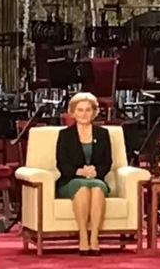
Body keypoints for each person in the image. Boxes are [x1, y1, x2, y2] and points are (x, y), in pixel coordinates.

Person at [55, 92, 113, 256]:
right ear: (73, 112)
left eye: (88, 110)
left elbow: (107, 162)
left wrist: (96, 171)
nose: (84, 114)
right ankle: (83, 236)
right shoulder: (65, 135)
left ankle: (94, 237)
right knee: (82, 189)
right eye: (80, 110)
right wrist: (78, 171)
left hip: (96, 178)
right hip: (70, 180)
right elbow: (61, 162)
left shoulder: (103, 134)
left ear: (94, 112)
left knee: (97, 189)